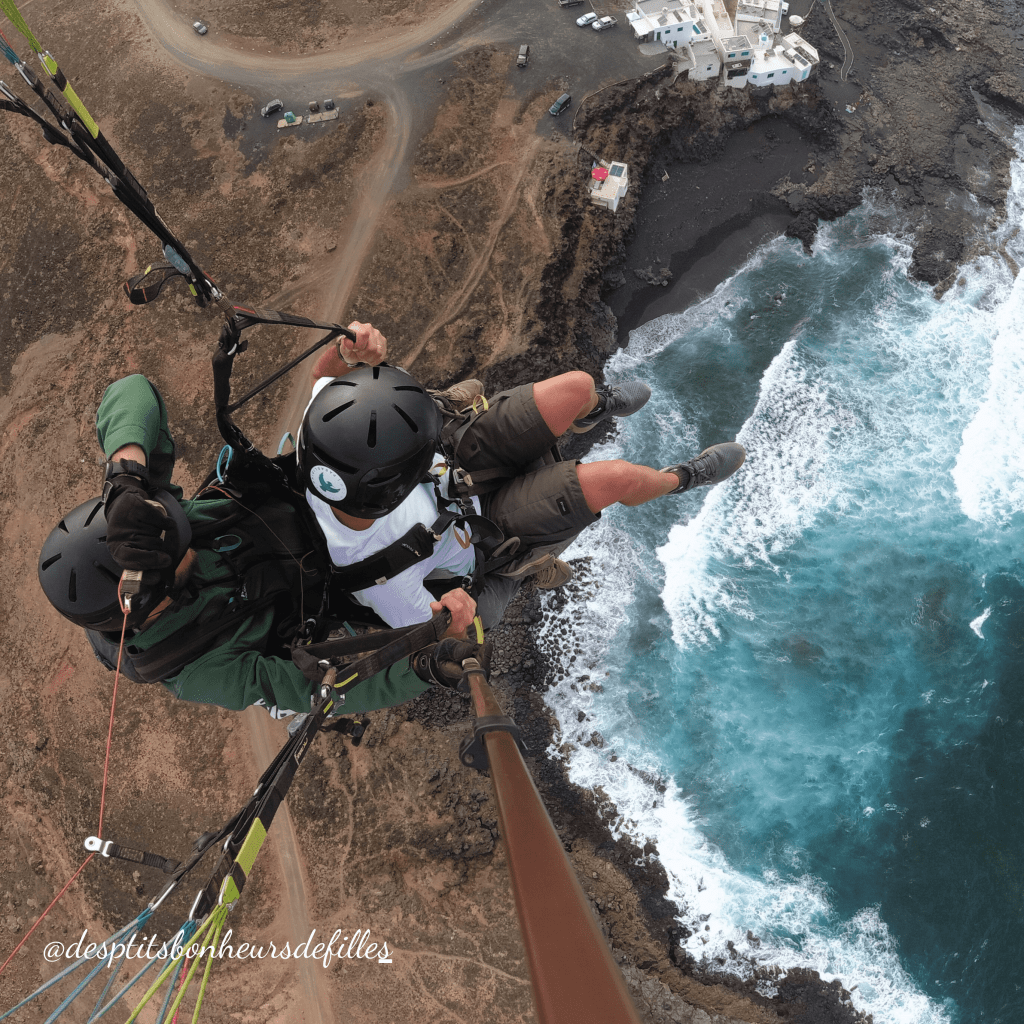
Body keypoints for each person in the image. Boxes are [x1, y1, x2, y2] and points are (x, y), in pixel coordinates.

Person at [38, 362, 463, 718]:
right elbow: (316, 693)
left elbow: (131, 390)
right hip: (339, 583)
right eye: (179, 550)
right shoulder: (199, 670)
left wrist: (125, 478)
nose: (186, 537)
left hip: (300, 496)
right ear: (160, 598)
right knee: (482, 589)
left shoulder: (145, 528)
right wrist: (426, 667)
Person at [298, 324, 746, 635]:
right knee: (619, 478)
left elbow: (323, 380)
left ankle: (590, 408)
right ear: (394, 486)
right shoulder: (386, 584)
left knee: (575, 386)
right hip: (483, 530)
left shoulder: (326, 431)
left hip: (452, 461)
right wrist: (451, 622)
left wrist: (347, 354)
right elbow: (448, 636)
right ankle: (684, 478)